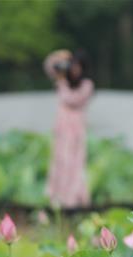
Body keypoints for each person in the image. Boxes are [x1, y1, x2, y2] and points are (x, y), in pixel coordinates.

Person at [43, 49, 94, 209]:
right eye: (72, 65)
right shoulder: (63, 79)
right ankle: (58, 199)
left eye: (77, 66)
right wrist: (61, 56)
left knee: (74, 164)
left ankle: (73, 200)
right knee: (59, 162)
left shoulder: (86, 85)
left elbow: (71, 99)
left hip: (76, 130)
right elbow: (48, 65)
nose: (74, 69)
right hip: (61, 129)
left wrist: (62, 81)